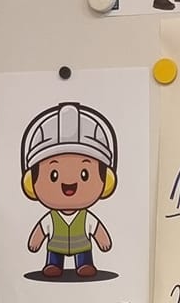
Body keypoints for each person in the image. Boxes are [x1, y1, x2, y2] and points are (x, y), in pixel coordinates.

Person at [21, 101, 118, 280]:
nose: (69, 183)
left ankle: (84, 264)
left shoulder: (86, 217)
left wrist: (103, 240)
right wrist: (35, 242)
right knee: (54, 258)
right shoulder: (51, 217)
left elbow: (96, 228)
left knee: (84, 256)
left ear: (106, 179)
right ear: (31, 181)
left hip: (82, 247)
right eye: (53, 175)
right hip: (55, 247)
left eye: (84, 174)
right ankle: (53, 265)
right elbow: (42, 229)